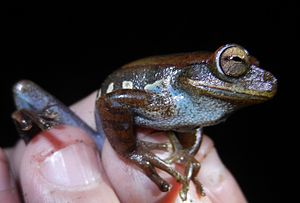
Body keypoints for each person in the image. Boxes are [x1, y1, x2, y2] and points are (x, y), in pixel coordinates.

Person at [0, 92, 247, 203]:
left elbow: (192, 127)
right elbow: (111, 103)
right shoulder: (165, 97)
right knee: (24, 91)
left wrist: (185, 154)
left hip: (105, 147)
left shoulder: (187, 111)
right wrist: (130, 150)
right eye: (234, 64)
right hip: (104, 134)